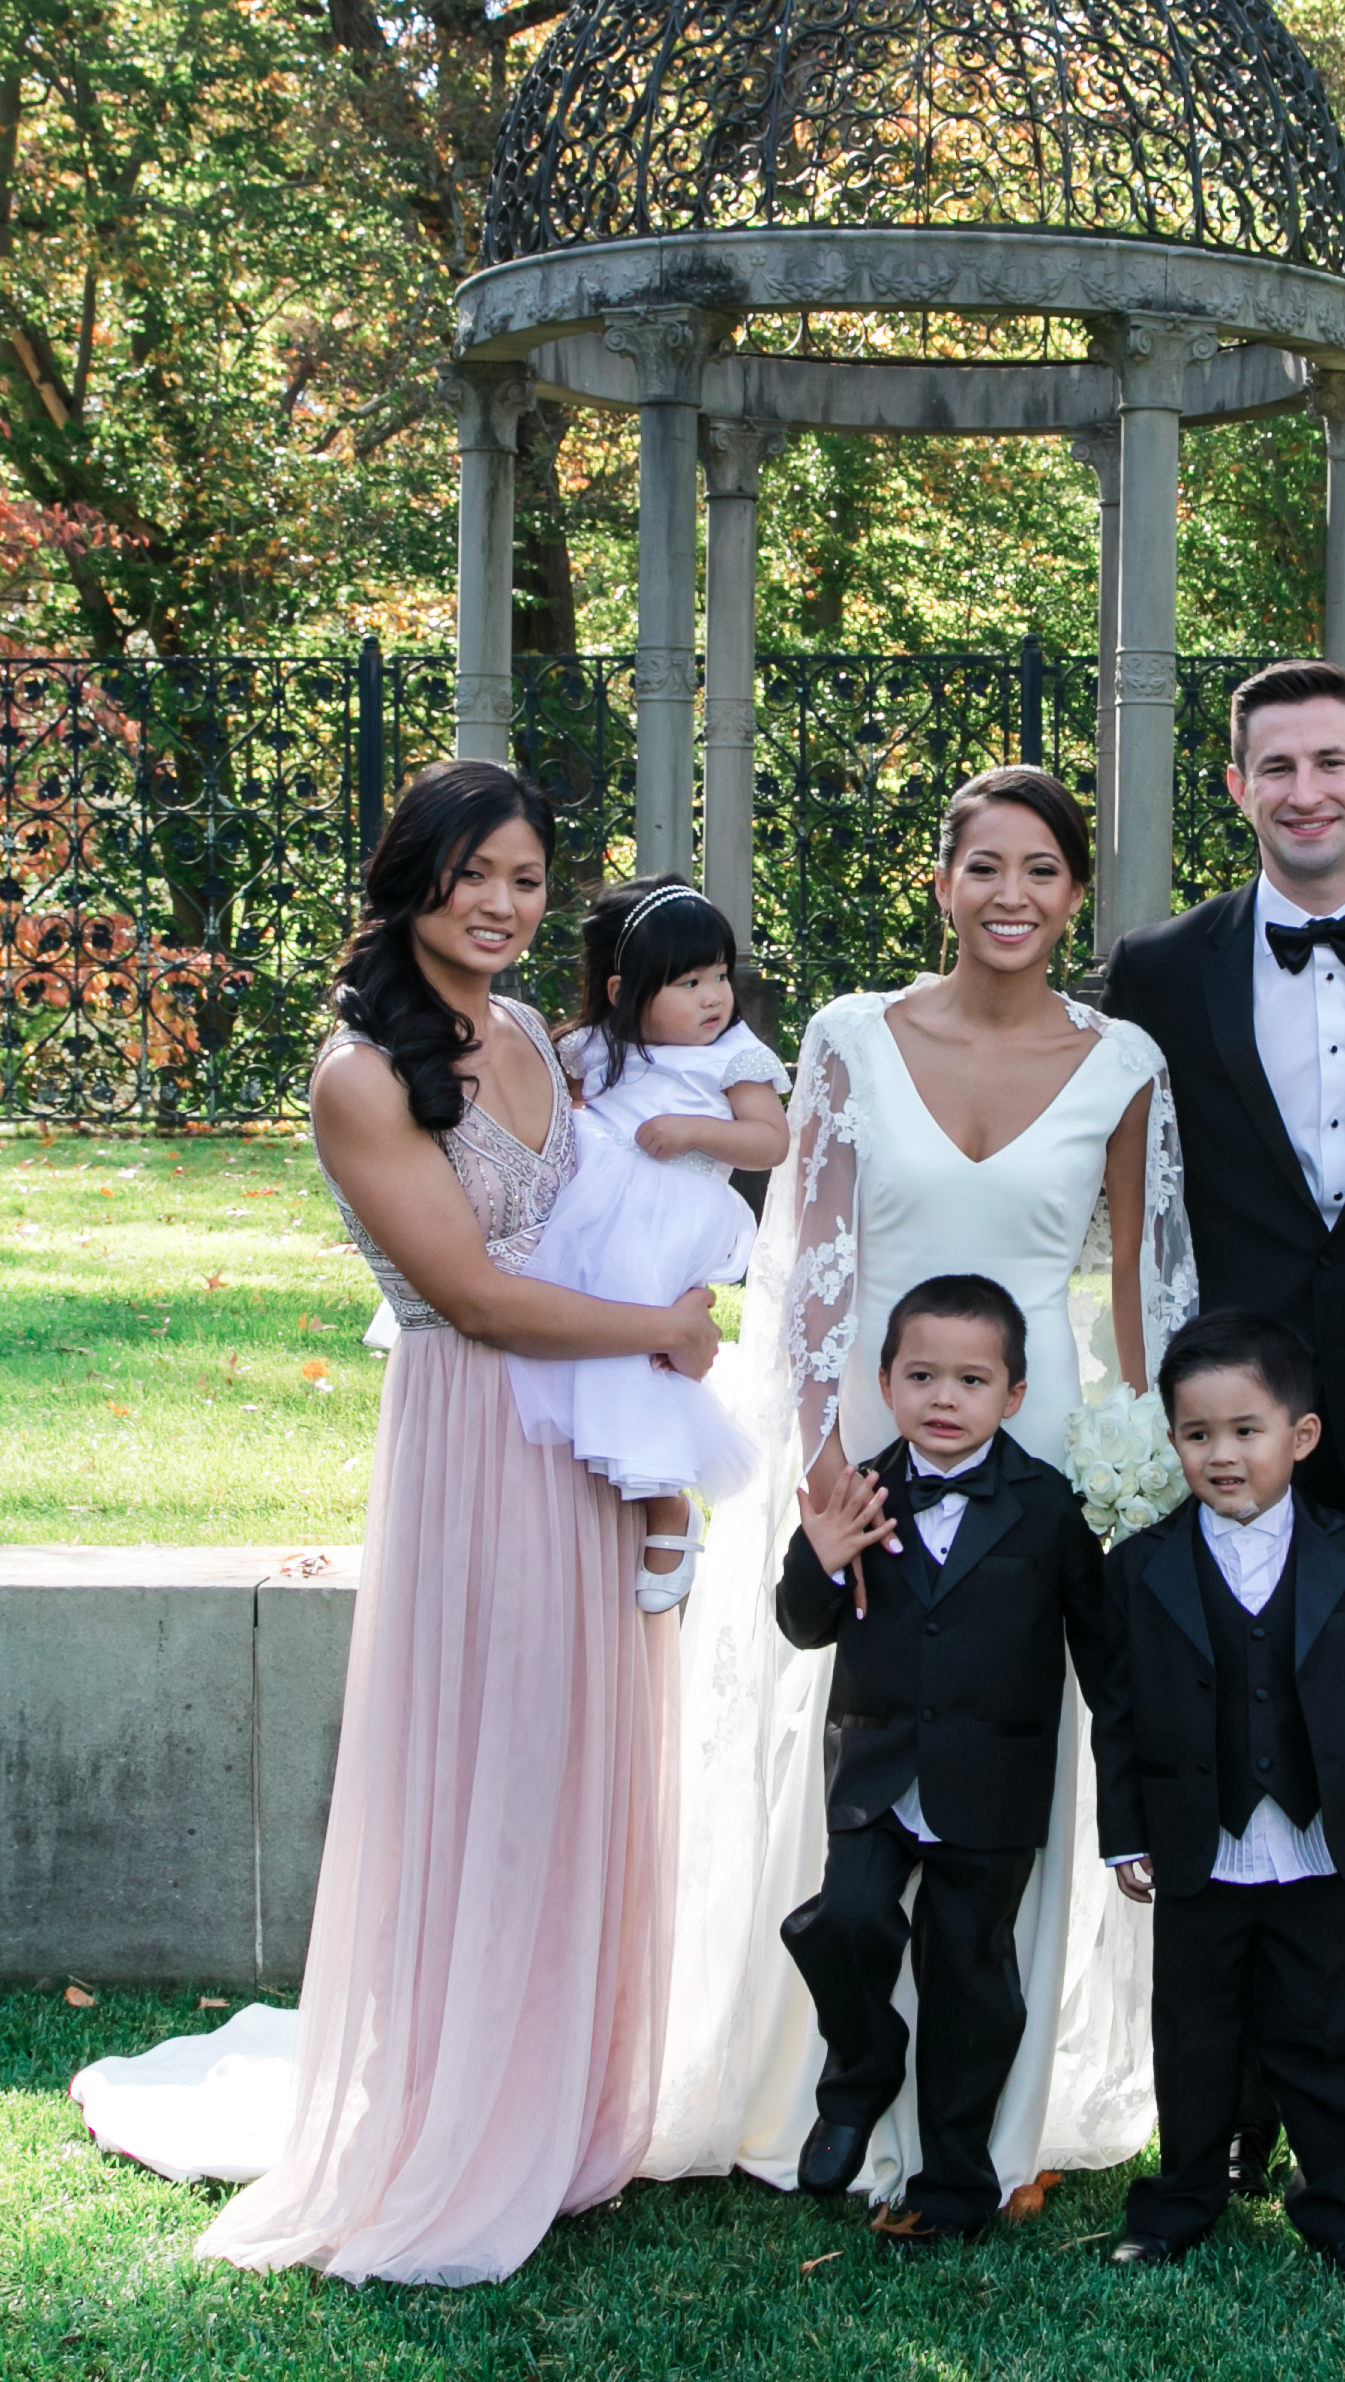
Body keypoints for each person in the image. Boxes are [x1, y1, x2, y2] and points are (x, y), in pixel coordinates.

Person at [102, 762, 720, 2287]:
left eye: (527, 879)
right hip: (477, 1435)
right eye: (474, 874)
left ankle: (559, 2100)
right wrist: (662, 1332)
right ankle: (459, 2121)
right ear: (410, 880)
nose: (503, 904)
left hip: (585, 1436)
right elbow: (476, 1295)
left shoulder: (533, 1037)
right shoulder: (360, 1076)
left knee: (573, 1754)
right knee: (491, 1755)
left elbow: (605, 1207)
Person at [648, 766, 1191, 2212]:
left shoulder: (1127, 1060)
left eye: (1042, 870)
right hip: (866, 1432)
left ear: (1076, 895)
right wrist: (820, 1455)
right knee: (856, 1758)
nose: (1012, 895)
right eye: (985, 867)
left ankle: (980, 2120)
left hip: (1042, 1447)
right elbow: (809, 1261)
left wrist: (1143, 1471)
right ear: (941, 883)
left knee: (1004, 1771)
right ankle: (828, 2079)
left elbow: (1141, 1289)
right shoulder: (846, 1037)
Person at [1099, 660, 1345, 2205]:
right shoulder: (1159, 970)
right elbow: (1136, 1195)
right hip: (1232, 1430)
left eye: (1332, 761)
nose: (1307, 791)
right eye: (1276, 766)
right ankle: (1242, 2103)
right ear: (1236, 787)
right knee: (1228, 1746)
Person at [772, 1274, 1121, 2248]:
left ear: (1014, 1395)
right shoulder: (858, 1492)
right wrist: (819, 1557)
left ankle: (956, 2179)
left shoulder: (1047, 1508)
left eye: (972, 1380)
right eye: (921, 1375)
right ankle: (859, 2076)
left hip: (993, 1782)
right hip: (876, 1772)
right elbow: (802, 1625)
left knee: (971, 1980)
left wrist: (1140, 1773)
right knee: (845, 1919)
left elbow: (1101, 1651)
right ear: (885, 1382)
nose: (944, 1398)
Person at [1090, 1310, 1345, 2293]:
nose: (1223, 1455)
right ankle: (1181, 2198)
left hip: (1320, 1844)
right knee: (1194, 2031)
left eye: (1246, 1430)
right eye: (1198, 1435)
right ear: (1173, 1440)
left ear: (1301, 1435)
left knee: (1317, 2029)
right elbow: (1117, 1708)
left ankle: (1331, 2205)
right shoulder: (1141, 1566)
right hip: (1198, 1844)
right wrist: (1125, 1834)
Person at [503, 877, 789, 1599]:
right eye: (688, 983)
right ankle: (587, 1462)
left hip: (670, 1215)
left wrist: (695, 1130)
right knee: (563, 1322)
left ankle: (666, 1496)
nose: (713, 997)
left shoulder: (732, 1054)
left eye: (719, 975)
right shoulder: (596, 1046)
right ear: (623, 992)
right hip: (592, 1210)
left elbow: (770, 1141)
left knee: (639, 1344)